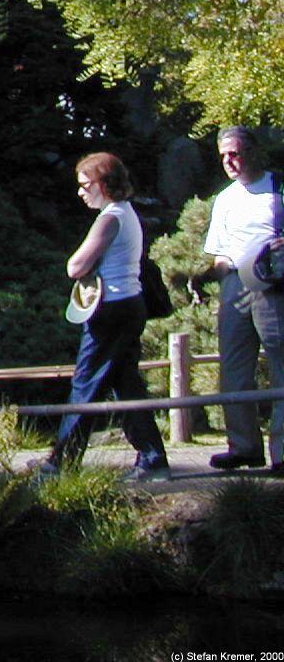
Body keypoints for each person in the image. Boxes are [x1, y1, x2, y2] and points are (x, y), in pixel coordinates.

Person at [42, 152, 171, 481]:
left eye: (86, 185)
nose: (81, 192)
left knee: (85, 382)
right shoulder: (127, 214)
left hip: (110, 309)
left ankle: (61, 461)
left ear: (104, 184)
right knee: (126, 384)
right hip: (129, 305)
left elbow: (75, 267)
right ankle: (153, 458)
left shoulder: (110, 217)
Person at [201, 126, 284, 472]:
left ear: (252, 151)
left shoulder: (277, 188)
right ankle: (244, 446)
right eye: (223, 156)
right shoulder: (224, 198)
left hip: (274, 283)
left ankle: (282, 452)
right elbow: (218, 254)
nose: (229, 162)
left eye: (234, 153)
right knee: (234, 367)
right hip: (235, 282)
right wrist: (216, 280)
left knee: (282, 365)